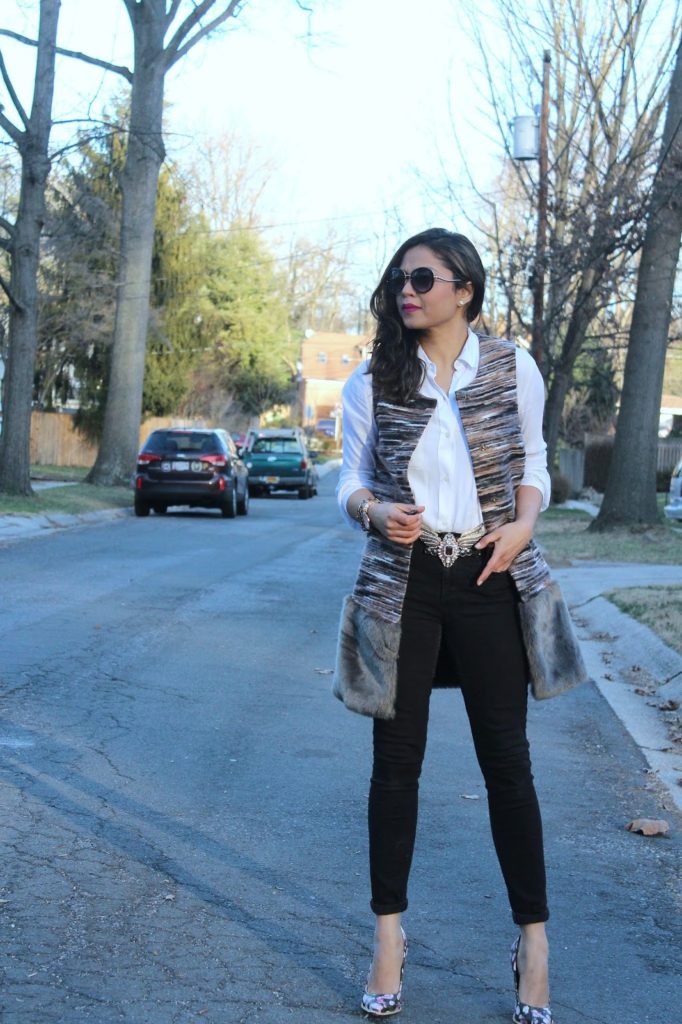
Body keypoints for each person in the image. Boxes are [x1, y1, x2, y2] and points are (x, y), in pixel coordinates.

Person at [333, 227, 570, 1024]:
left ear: (464, 289)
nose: (408, 290)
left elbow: (533, 461)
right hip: (403, 578)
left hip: (489, 571)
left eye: (424, 278)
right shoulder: (373, 379)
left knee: (508, 764)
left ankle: (533, 943)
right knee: (395, 765)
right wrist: (373, 511)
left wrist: (523, 527)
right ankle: (387, 938)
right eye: (400, 279)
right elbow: (350, 480)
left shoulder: (511, 366)